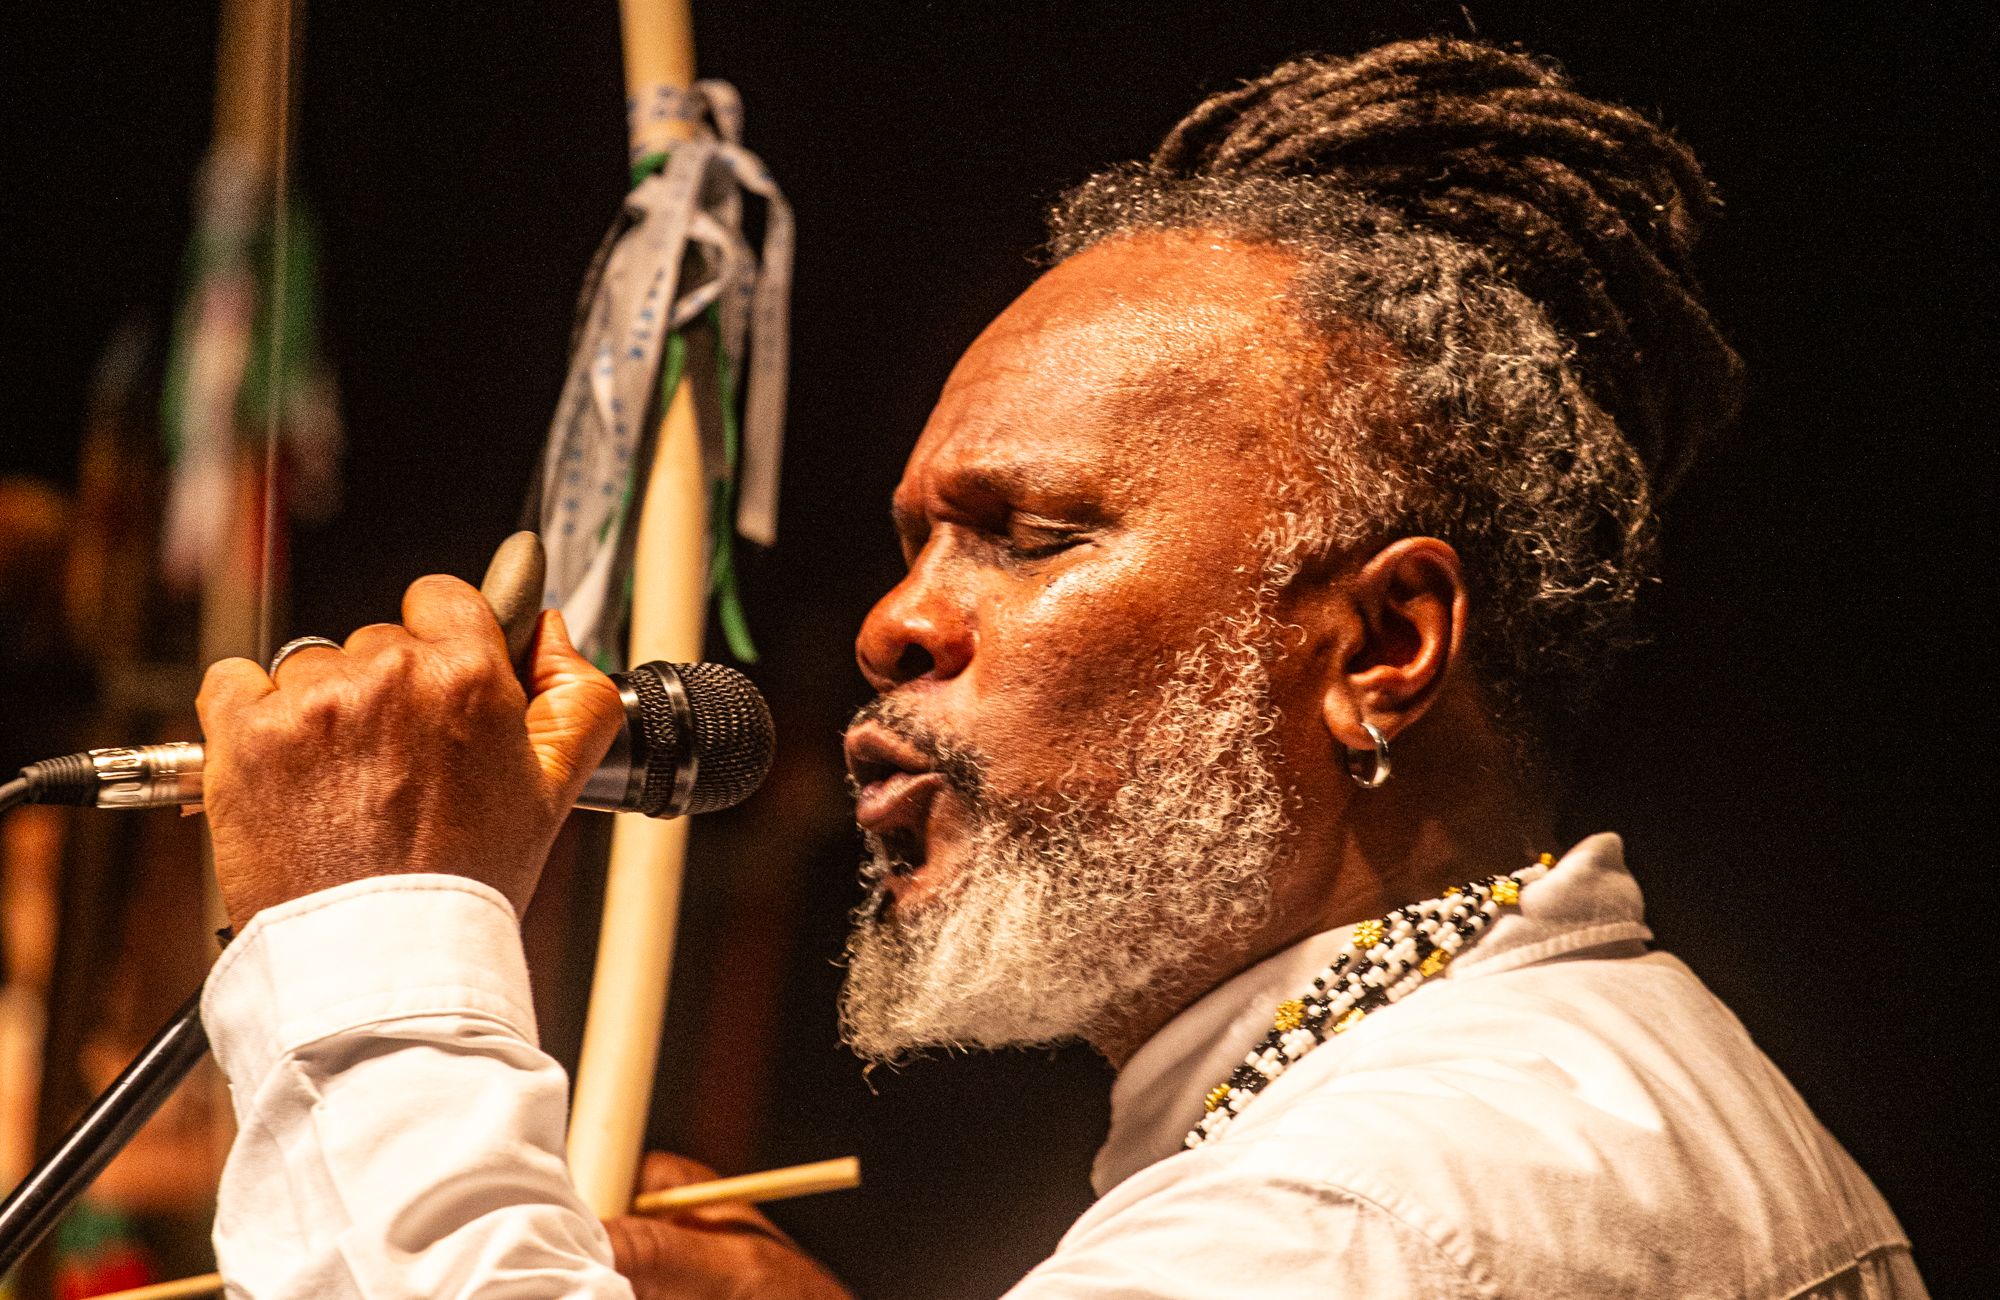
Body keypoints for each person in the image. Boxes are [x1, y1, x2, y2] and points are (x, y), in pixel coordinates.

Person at [192, 38, 1923, 1298]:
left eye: (1024, 537)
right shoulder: (1500, 1112)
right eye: (914, 542)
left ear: (1382, 649)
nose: (892, 626)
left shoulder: (1370, 1213)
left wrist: (369, 946)